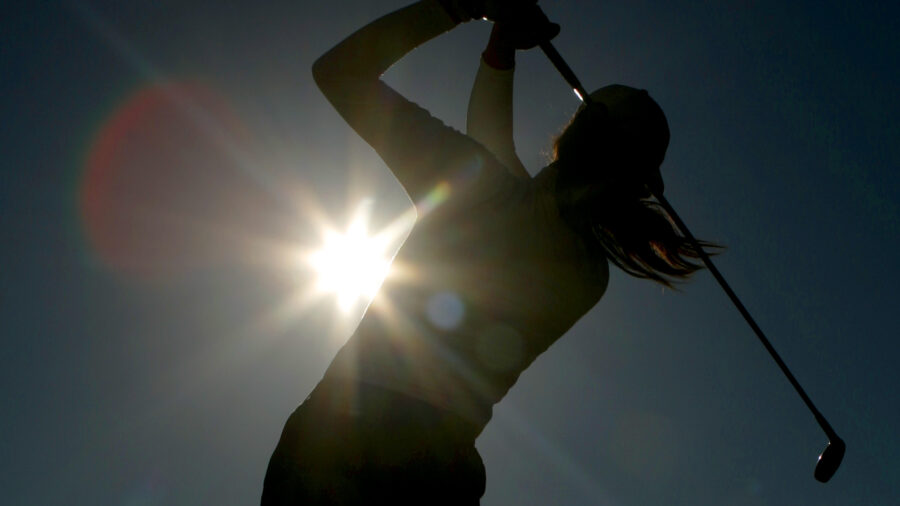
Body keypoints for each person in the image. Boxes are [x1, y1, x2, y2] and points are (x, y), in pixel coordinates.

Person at [262, 1, 713, 504]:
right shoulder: (589, 277)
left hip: (336, 443)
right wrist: (499, 50)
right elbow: (500, 160)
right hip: (437, 470)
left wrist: (460, 7)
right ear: (634, 184)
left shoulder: (482, 189)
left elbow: (339, 73)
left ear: (571, 137)